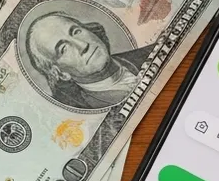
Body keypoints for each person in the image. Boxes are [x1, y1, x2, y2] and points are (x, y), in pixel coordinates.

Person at [22, 11, 155, 110]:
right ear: (61, 74)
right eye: (64, 49)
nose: (83, 45)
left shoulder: (152, 52)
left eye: (76, 32)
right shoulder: (85, 115)